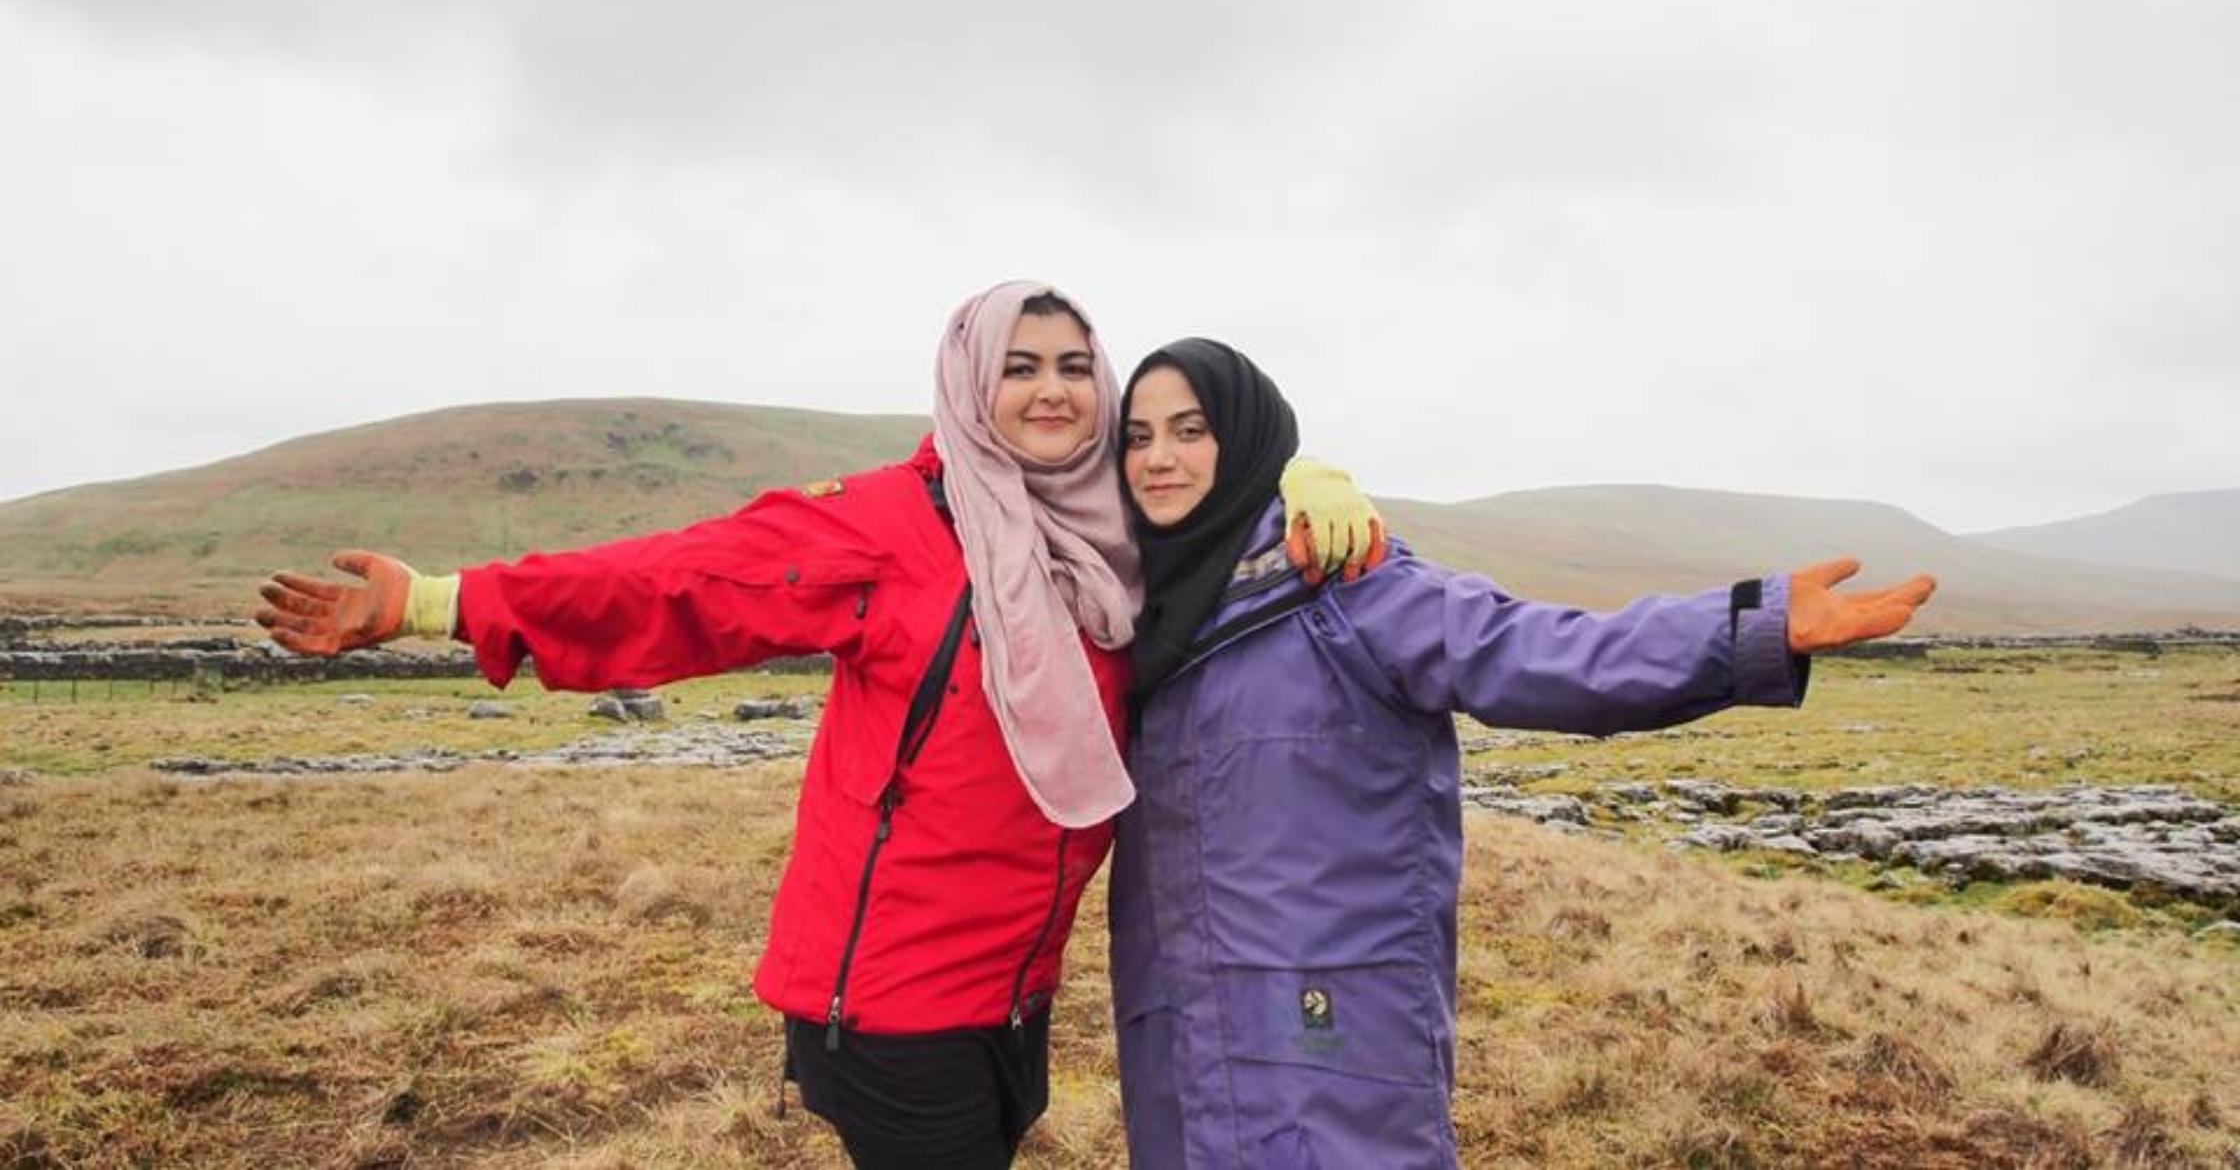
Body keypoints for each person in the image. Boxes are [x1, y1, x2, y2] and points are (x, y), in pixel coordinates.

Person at [252, 287, 1382, 1169]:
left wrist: (1304, 474)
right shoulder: (886, 526)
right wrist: (443, 602)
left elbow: (1209, 479)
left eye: (1075, 367)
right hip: (890, 1002)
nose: (1051, 391)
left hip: (1012, 990)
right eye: (1017, 367)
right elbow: (678, 582)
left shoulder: (1107, 533)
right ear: (966, 382)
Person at [1107, 338, 1936, 1169]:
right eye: (1138, 438)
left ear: (1245, 439)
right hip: (1177, 1027)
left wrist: (1743, 632)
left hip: (1325, 1025)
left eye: (1191, 429)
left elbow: (1544, 652)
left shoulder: (1348, 584)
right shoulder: (1137, 609)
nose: (1161, 458)